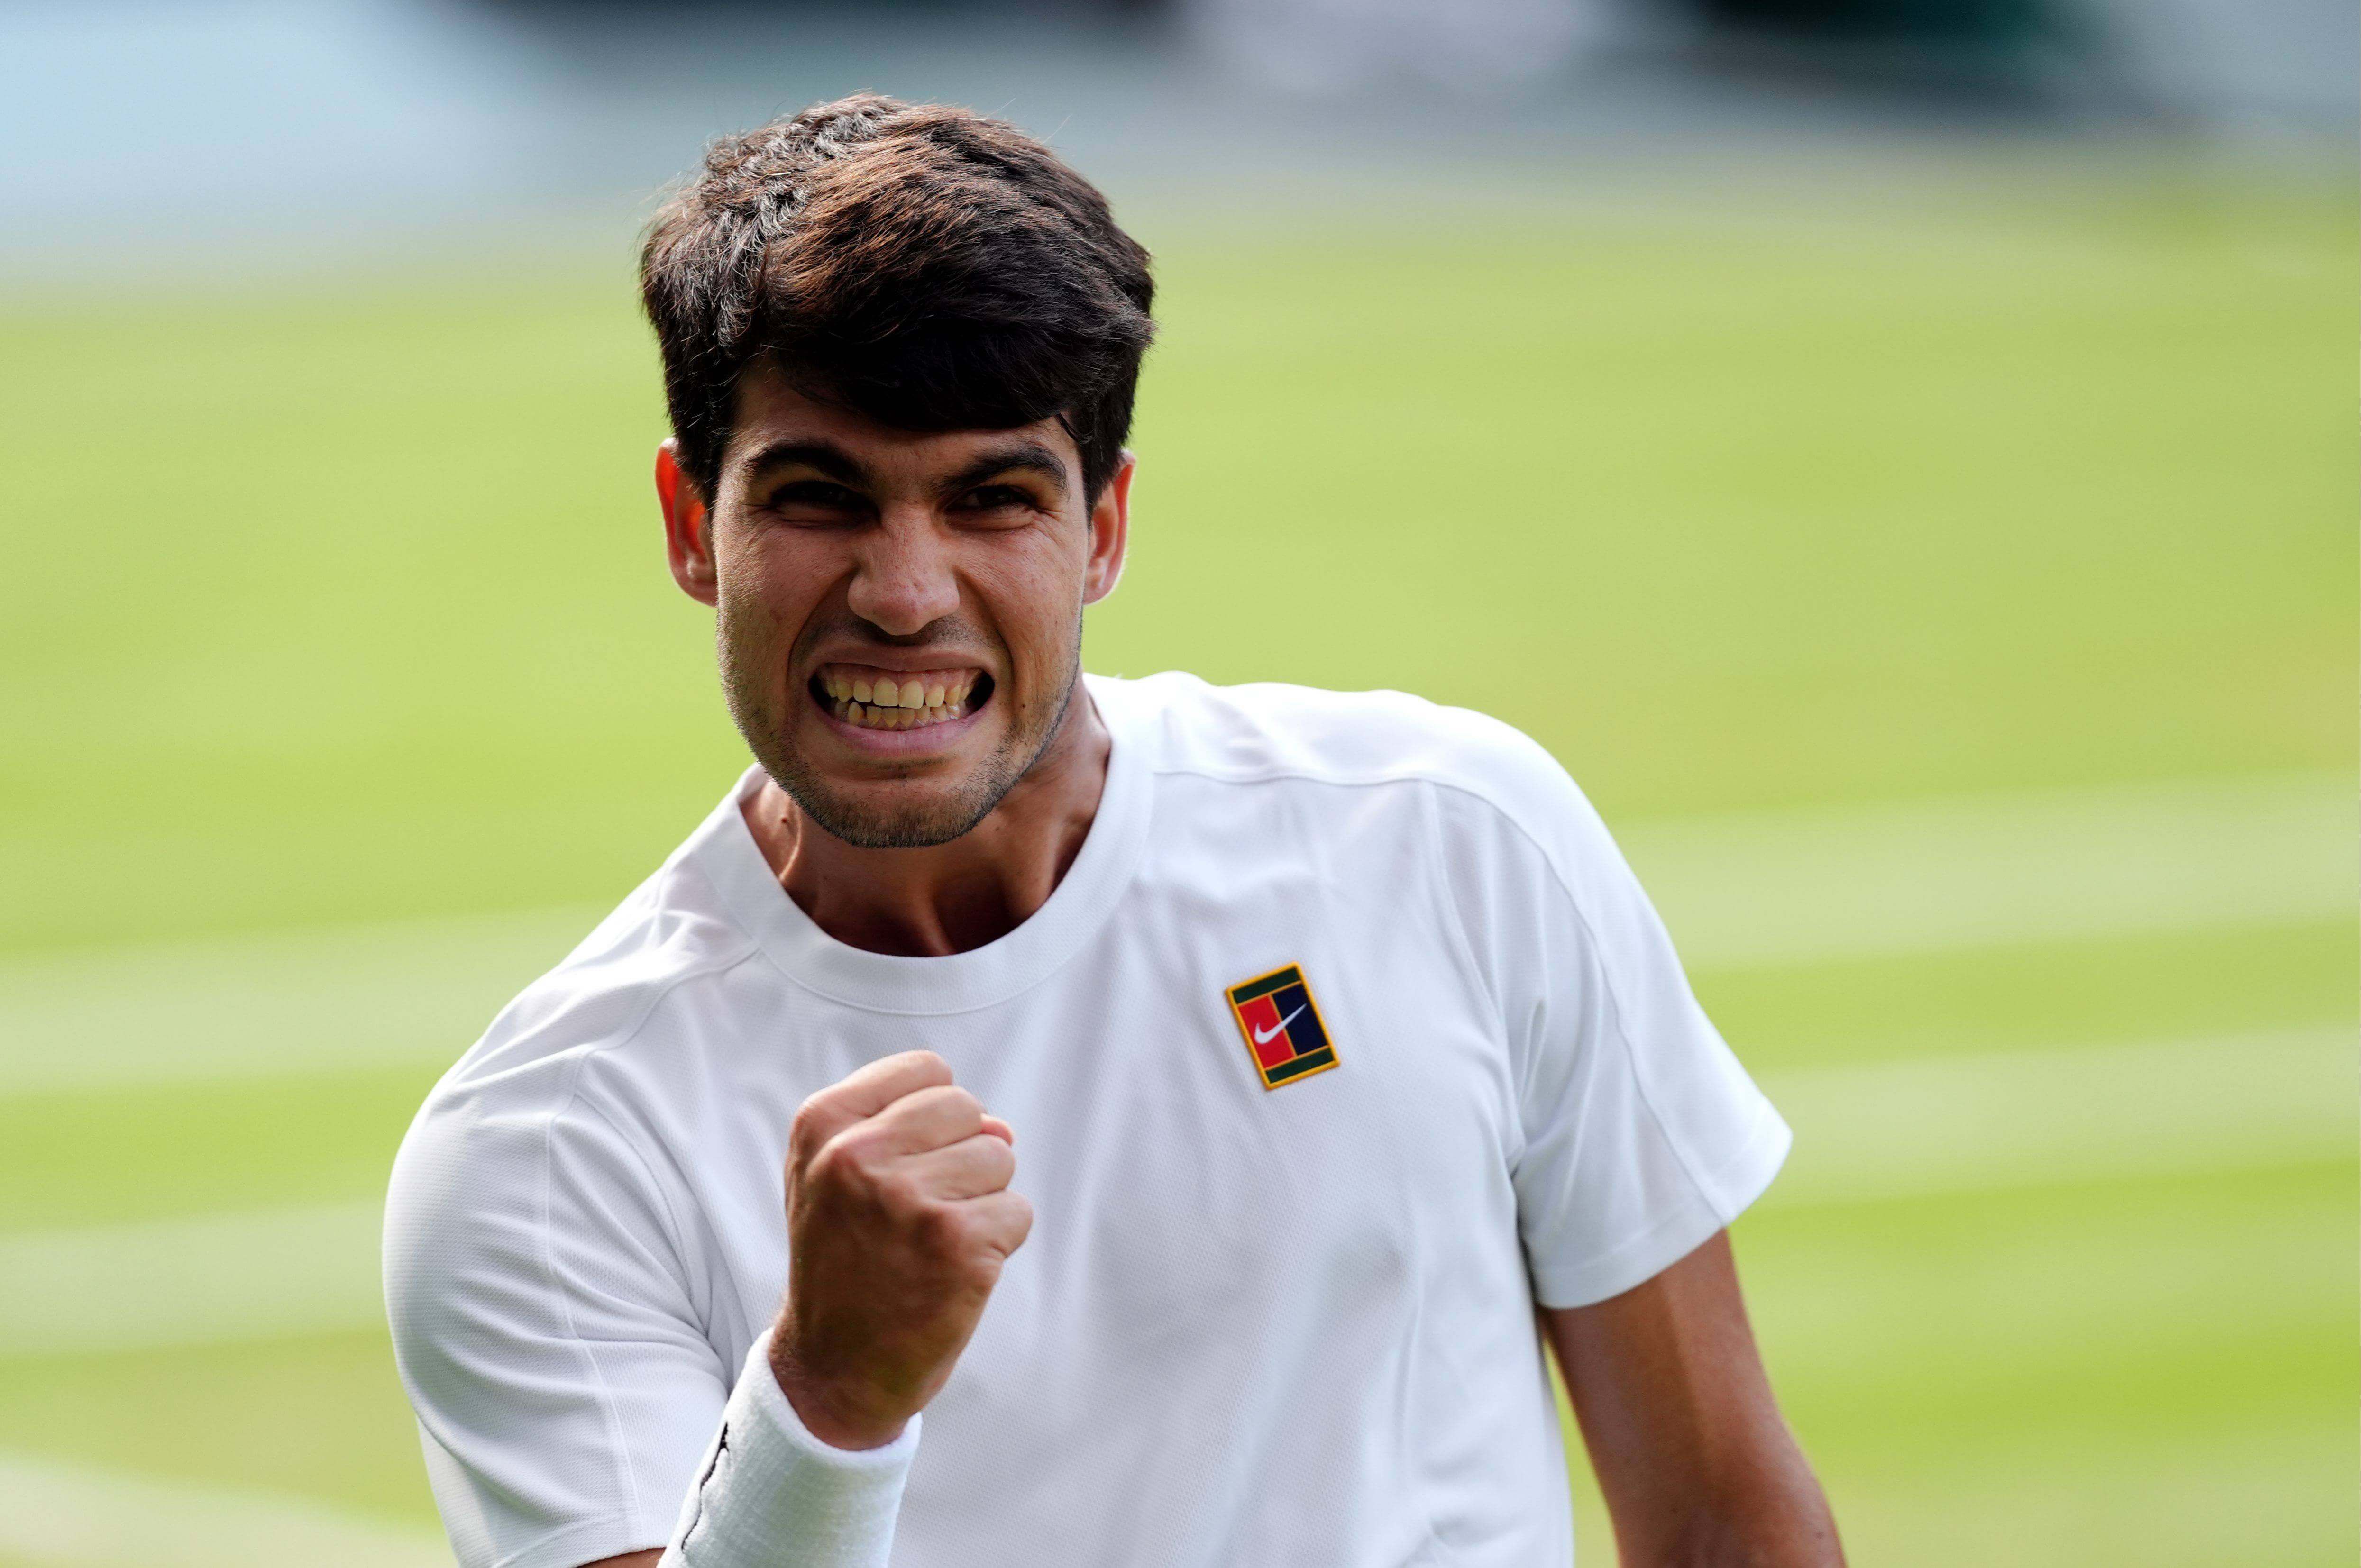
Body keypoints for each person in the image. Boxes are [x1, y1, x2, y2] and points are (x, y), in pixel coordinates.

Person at [383, 93, 1843, 1568]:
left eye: (991, 499)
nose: (904, 590)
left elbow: (1726, 1518)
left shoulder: (1449, 840)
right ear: (693, 524)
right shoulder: (545, 1147)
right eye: (820, 497)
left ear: (1106, 527)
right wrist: (827, 1401)